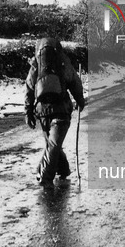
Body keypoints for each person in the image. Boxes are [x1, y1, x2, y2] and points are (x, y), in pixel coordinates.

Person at [24, 38, 86, 188]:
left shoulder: (36, 64)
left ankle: (63, 169)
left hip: (42, 111)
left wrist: (28, 112)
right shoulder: (63, 61)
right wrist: (80, 100)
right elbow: (74, 82)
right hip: (61, 109)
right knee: (54, 145)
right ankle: (44, 177)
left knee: (52, 144)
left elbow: (29, 88)